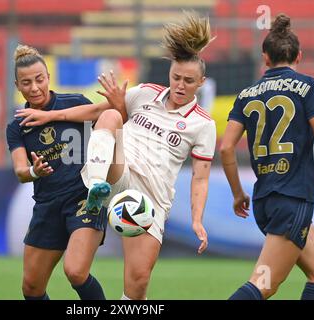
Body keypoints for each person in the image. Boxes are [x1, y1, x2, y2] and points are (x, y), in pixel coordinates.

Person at [16, 11, 217, 300]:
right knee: (111, 112)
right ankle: (95, 186)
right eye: (176, 78)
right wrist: (51, 116)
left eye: (188, 80)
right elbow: (98, 112)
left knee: (137, 286)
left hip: (151, 196)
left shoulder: (203, 124)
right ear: (169, 74)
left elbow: (200, 177)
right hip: (118, 172)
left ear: (201, 82)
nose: (180, 85)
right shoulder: (146, 92)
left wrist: (198, 220)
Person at [220, 14, 314, 300]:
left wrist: (238, 194)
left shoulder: (246, 94)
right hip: (292, 198)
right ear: (299, 55)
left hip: (265, 200)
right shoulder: (307, 85)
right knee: (263, 284)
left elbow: (226, 148)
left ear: (265, 58)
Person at [6, 44, 107, 300]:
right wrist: (34, 171)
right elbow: (20, 171)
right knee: (31, 287)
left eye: (39, 79)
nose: (35, 87)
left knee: (75, 272)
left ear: (49, 77)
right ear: (17, 86)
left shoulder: (75, 103)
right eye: (26, 82)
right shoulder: (17, 126)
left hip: (84, 198)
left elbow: (107, 114)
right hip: (47, 205)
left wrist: (53, 117)